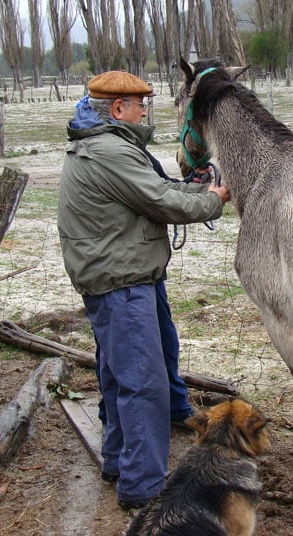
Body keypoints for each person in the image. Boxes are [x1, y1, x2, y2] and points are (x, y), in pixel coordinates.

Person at [57, 70, 229, 510]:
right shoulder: (111, 150)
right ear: (118, 110)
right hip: (122, 283)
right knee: (143, 384)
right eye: (139, 104)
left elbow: (151, 190)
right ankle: (144, 486)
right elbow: (161, 202)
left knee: (118, 377)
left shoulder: (101, 145)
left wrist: (190, 187)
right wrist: (214, 198)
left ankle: (118, 462)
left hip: (119, 278)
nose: (144, 111)